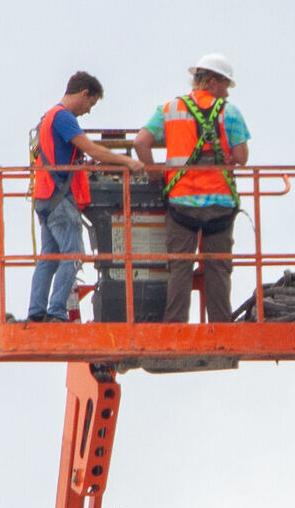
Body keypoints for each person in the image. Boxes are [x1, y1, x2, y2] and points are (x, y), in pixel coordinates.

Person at [134, 54, 251, 323]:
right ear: (212, 83)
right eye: (225, 87)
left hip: (181, 205)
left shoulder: (170, 108)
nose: (226, 94)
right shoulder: (229, 112)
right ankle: (221, 326)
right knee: (218, 269)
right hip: (219, 206)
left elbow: (141, 142)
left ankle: (175, 325)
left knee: (179, 268)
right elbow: (242, 156)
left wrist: (154, 172)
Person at [28, 72, 140, 323]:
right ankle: (56, 311)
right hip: (59, 199)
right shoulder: (64, 118)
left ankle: (36, 312)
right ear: (84, 93)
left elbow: (68, 155)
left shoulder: (48, 117)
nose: (89, 110)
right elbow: (90, 147)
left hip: (45, 197)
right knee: (74, 255)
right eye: (91, 103)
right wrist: (127, 161)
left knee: (49, 256)